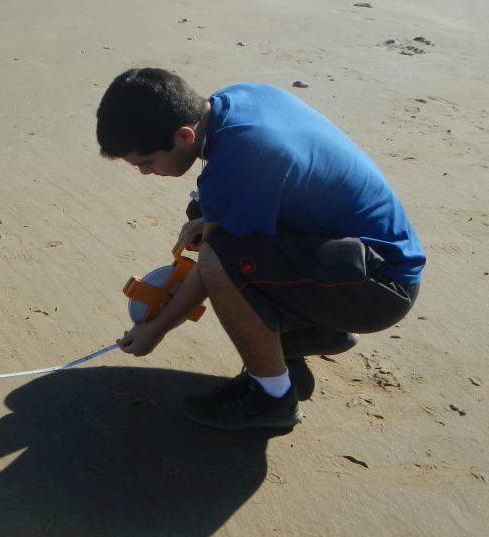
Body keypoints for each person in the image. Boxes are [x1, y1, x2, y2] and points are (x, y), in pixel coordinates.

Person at [96, 68, 424, 431]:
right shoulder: (235, 99)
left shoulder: (241, 162)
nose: (144, 173)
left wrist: (155, 329)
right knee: (206, 214)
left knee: (223, 255)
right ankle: (314, 330)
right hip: (361, 259)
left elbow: (211, 268)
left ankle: (271, 396)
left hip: (380, 289)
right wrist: (208, 218)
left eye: (146, 162)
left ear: (184, 135)